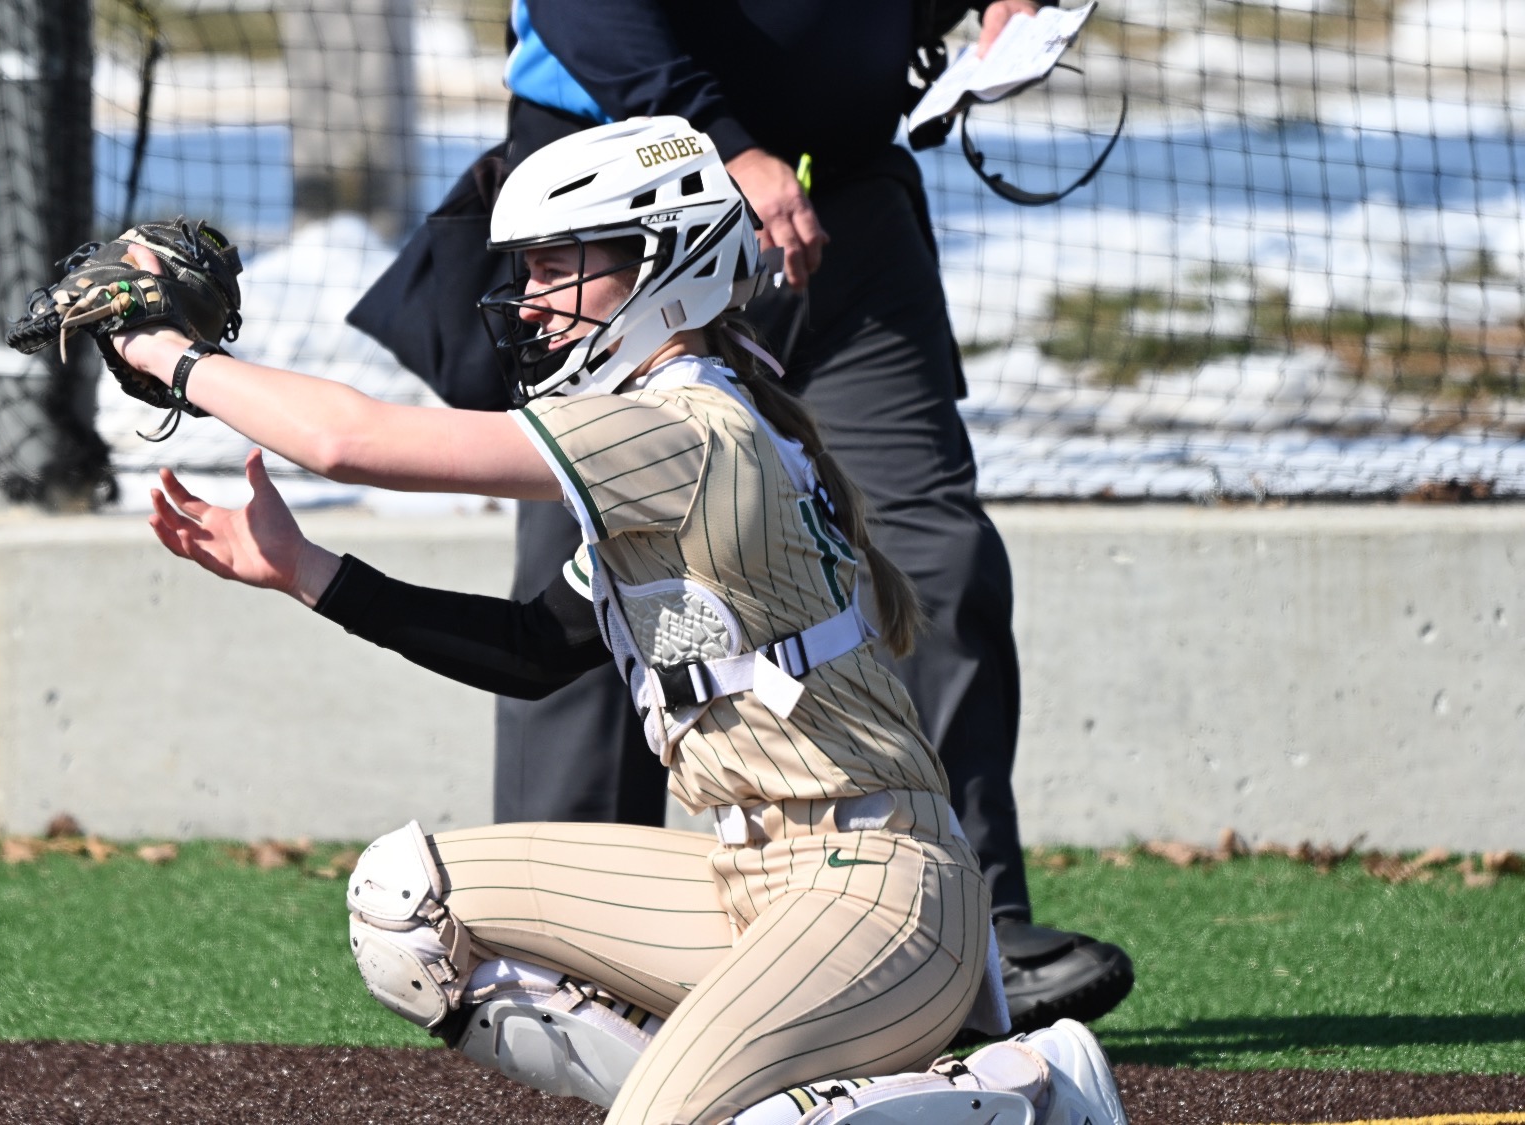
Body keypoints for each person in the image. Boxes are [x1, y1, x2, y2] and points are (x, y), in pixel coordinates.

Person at [110, 118, 1125, 1125]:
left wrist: (172, 357)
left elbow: (346, 441)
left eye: (561, 265)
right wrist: (303, 570)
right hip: (752, 876)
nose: (533, 300)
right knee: (404, 903)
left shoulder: (680, 424)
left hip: (881, 895)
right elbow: (532, 652)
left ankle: (1026, 1099)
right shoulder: (684, 422)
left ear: (663, 263)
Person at [343, 0, 1134, 1036]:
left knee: (927, 552)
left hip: (837, 193)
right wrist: (727, 144)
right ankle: (575, 963)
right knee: (600, 591)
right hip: (614, 204)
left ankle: (968, 934)